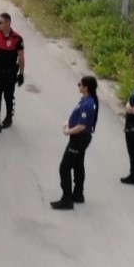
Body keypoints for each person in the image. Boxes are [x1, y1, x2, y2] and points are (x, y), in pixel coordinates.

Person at [51, 76, 100, 210]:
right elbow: (76, 116)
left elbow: (82, 126)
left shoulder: (88, 104)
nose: (78, 86)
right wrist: (68, 121)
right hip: (80, 138)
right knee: (78, 164)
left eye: (80, 84)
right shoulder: (86, 99)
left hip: (79, 139)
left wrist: (68, 131)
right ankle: (78, 194)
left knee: (65, 167)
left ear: (86, 88)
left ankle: (67, 199)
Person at [0, 12, 25, 136]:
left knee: (9, 97)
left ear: (7, 23)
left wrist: (21, 74)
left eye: (0, 22)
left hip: (9, 74)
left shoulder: (17, 39)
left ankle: (9, 117)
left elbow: (21, 58)